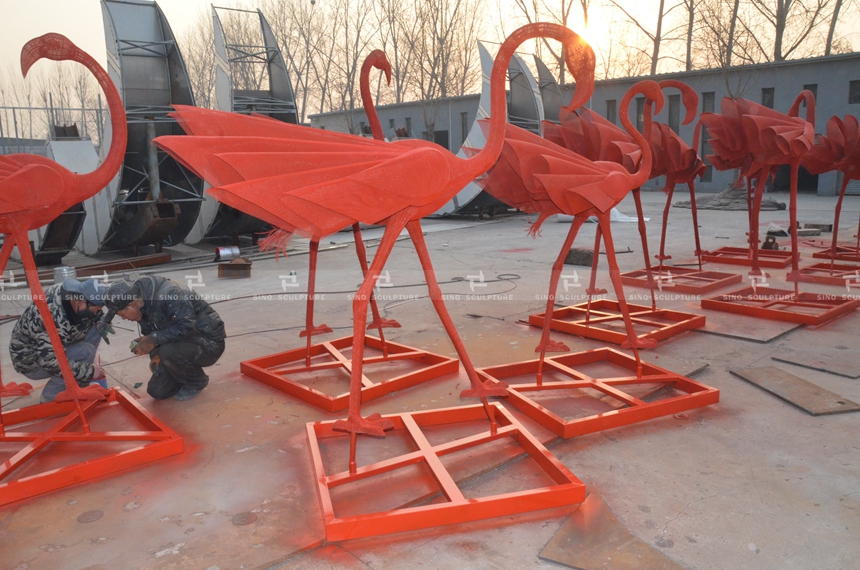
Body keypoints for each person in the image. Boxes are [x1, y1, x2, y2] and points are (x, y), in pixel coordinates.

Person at [104, 275, 225, 401]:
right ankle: (181, 373)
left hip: (208, 343)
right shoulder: (142, 305)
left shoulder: (170, 294)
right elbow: (157, 337)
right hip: (182, 343)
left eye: (121, 315)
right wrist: (147, 342)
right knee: (157, 391)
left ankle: (197, 381)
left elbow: (187, 327)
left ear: (132, 305)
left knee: (167, 351)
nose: (123, 318)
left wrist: (152, 339)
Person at [10, 278, 109, 403]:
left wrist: (100, 319)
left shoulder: (74, 297)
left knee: (99, 325)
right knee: (86, 351)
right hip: (33, 361)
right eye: (95, 310)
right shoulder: (51, 316)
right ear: (82, 301)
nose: (96, 313)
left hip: (54, 346)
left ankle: (79, 383)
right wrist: (89, 371)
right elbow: (50, 362)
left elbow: (84, 319)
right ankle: (52, 395)